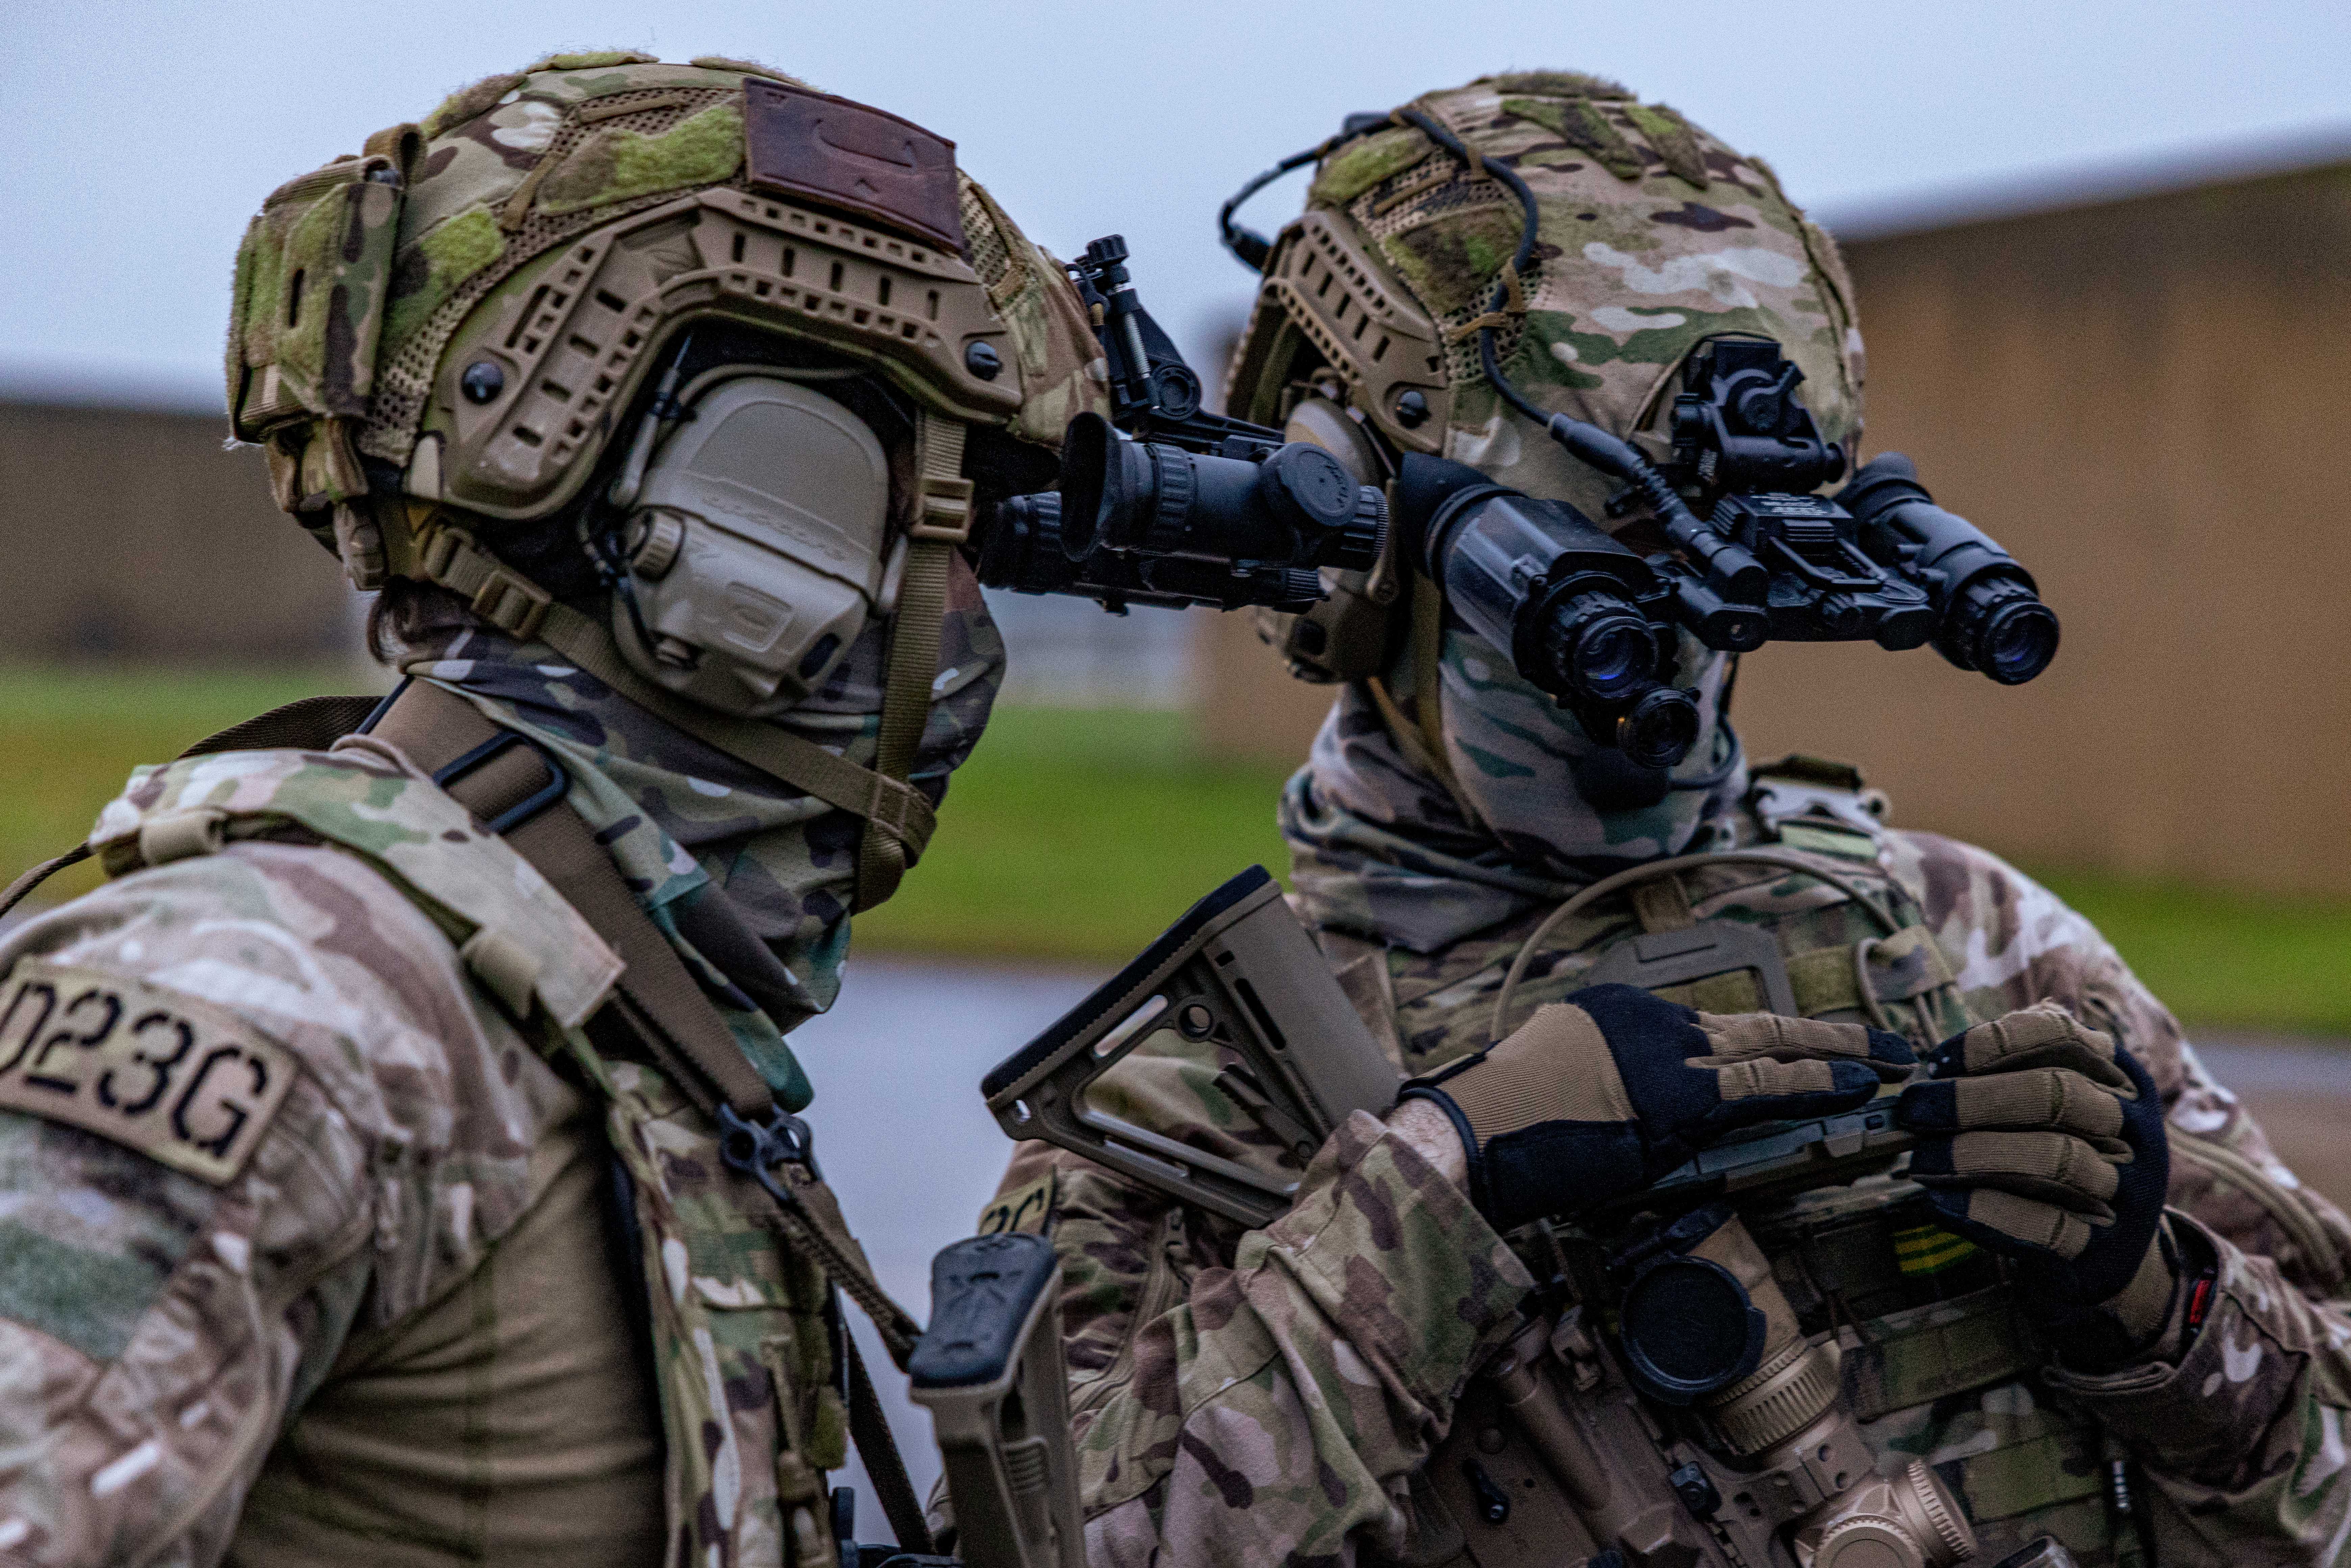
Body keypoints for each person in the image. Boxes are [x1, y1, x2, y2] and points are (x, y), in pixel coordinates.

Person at [979, 71, 2351, 1567]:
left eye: (1705, 589)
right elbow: (1056, 1543)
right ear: (1361, 545)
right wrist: (1444, 1178)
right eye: (1574, 589)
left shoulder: (1970, 941)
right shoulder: (1196, 1088)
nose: (1656, 677)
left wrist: (2158, 1301)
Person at [0, 50, 1105, 1567]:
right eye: (956, 513)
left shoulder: (570, 995)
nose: (972, 616)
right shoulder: (284, 1001)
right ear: (746, 527)